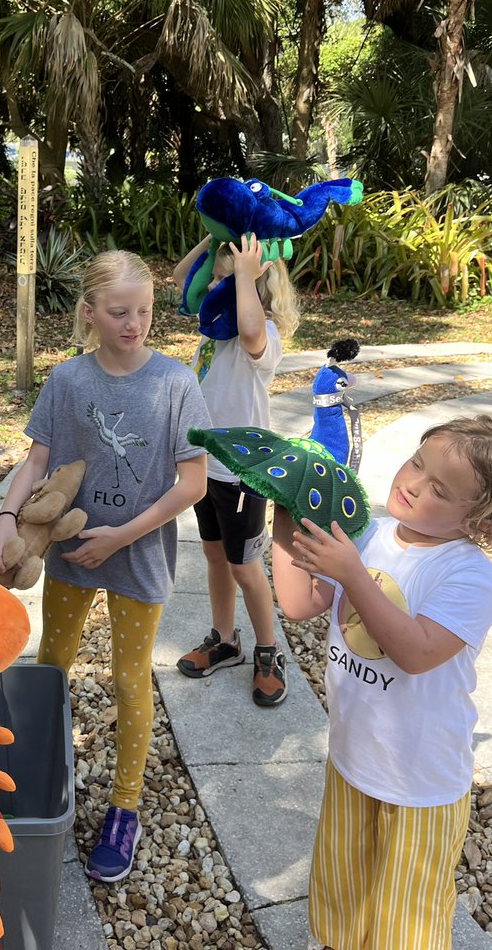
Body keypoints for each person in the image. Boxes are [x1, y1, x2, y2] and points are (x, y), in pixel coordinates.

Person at [0, 250, 210, 882]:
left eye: (143, 310)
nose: (134, 323)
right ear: (89, 313)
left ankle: (125, 806)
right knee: (52, 659)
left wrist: (122, 536)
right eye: (119, 313)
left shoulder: (175, 383)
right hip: (71, 551)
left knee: (131, 676)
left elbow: (192, 482)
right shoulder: (68, 382)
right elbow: (37, 462)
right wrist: (6, 518)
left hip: (137, 554)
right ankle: (36, 773)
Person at [271, 415, 492, 950]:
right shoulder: (369, 533)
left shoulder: (468, 576)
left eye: (440, 491)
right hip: (353, 759)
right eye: (417, 463)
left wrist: (354, 574)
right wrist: (284, 516)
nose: (415, 483)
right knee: (340, 893)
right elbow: (300, 601)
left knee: (407, 920)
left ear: (480, 524)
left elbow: (417, 652)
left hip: (422, 782)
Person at [173, 232, 299, 706]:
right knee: (214, 557)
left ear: (256, 286)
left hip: (241, 474)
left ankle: (268, 651)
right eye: (216, 281)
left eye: (223, 282)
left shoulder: (262, 335)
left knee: (245, 566)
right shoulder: (212, 330)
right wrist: (214, 238)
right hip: (204, 468)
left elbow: (249, 330)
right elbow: (181, 277)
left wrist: (243, 273)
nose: (212, 289)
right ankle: (224, 639)